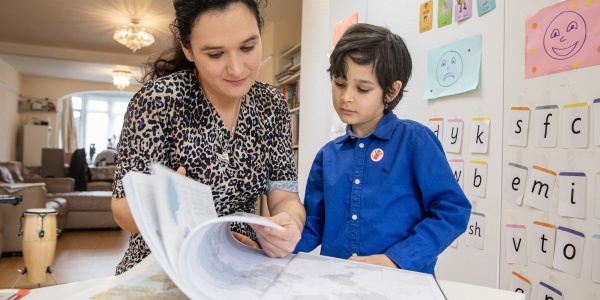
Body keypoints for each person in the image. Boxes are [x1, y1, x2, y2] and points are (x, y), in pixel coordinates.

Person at [111, 0, 305, 275]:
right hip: (164, 268)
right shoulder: (157, 100)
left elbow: (285, 197)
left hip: (238, 264)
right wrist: (162, 205)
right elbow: (121, 209)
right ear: (187, 48)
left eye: (248, 47)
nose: (237, 69)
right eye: (215, 54)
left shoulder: (272, 104)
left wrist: (291, 224)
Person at [293, 23, 472, 275]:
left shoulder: (415, 141)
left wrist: (397, 259)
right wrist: (271, 244)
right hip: (338, 283)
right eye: (339, 83)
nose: (346, 97)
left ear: (391, 90)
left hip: (400, 282)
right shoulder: (328, 155)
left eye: (362, 89)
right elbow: (315, 222)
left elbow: (452, 210)